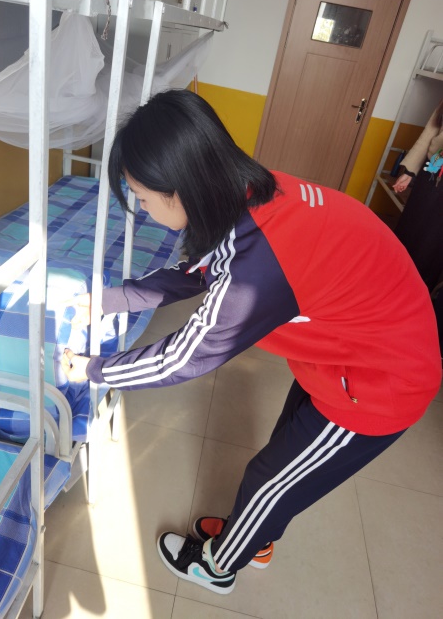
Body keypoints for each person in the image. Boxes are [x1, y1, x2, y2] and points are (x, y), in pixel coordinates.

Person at [62, 89, 441, 596]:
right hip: (347, 350)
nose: (144, 210)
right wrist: (110, 300)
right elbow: (199, 272)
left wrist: (93, 369)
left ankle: (218, 565)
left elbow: (183, 358)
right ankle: (255, 535)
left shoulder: (258, 266)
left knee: (270, 478)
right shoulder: (249, 192)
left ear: (180, 189)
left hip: (381, 382)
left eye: (143, 198)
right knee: (287, 456)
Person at [392, 99, 443, 292]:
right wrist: (410, 171)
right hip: (433, 170)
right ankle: (390, 282)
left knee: (432, 244)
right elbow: (431, 132)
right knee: (410, 230)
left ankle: (416, 293)